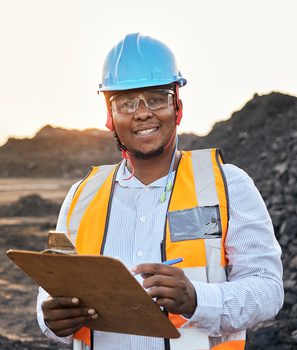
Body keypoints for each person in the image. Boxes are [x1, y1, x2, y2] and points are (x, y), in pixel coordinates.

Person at [36, 33, 283, 350]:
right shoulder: (80, 198)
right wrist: (52, 321)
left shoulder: (227, 185)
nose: (141, 113)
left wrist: (197, 299)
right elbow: (53, 287)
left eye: (156, 98)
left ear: (177, 107)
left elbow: (268, 289)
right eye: (125, 102)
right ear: (110, 117)